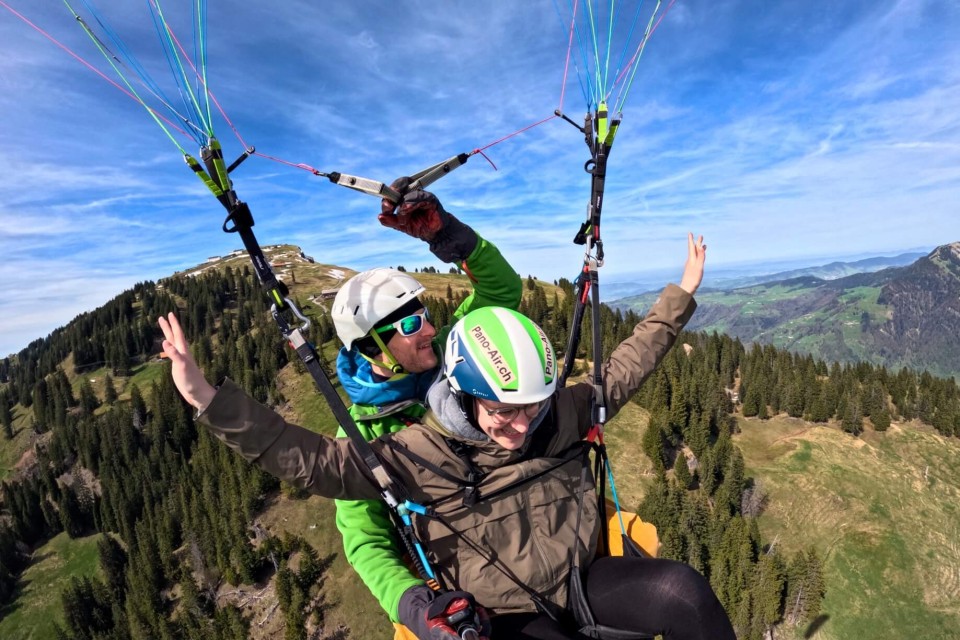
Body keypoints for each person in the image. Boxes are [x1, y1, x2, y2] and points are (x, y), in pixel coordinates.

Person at [159, 233, 736, 640]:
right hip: (503, 607)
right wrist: (209, 400)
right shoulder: (405, 448)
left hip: (580, 572)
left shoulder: (499, 376)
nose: (520, 424)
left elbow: (622, 369)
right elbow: (319, 470)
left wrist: (680, 295)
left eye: (531, 408)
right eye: (410, 323)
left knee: (683, 593)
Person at [332, 181, 523, 628]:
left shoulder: (455, 353)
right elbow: (367, 542)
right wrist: (415, 608)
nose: (431, 330)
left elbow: (502, 292)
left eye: (426, 317)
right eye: (411, 325)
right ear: (372, 348)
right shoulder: (362, 433)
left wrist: (447, 234)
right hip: (464, 580)